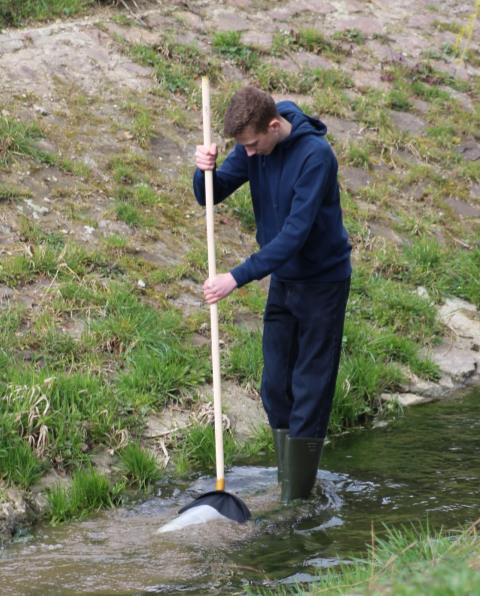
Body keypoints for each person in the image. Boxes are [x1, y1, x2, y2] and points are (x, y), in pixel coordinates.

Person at [193, 86, 351, 503]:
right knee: (275, 385)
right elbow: (208, 195)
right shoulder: (253, 147)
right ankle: (291, 485)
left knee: (309, 387)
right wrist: (203, 170)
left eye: (251, 145)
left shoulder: (316, 157)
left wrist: (235, 277)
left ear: (274, 126)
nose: (246, 154)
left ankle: (296, 499)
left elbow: (294, 236)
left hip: (323, 282)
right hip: (284, 281)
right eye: (240, 147)